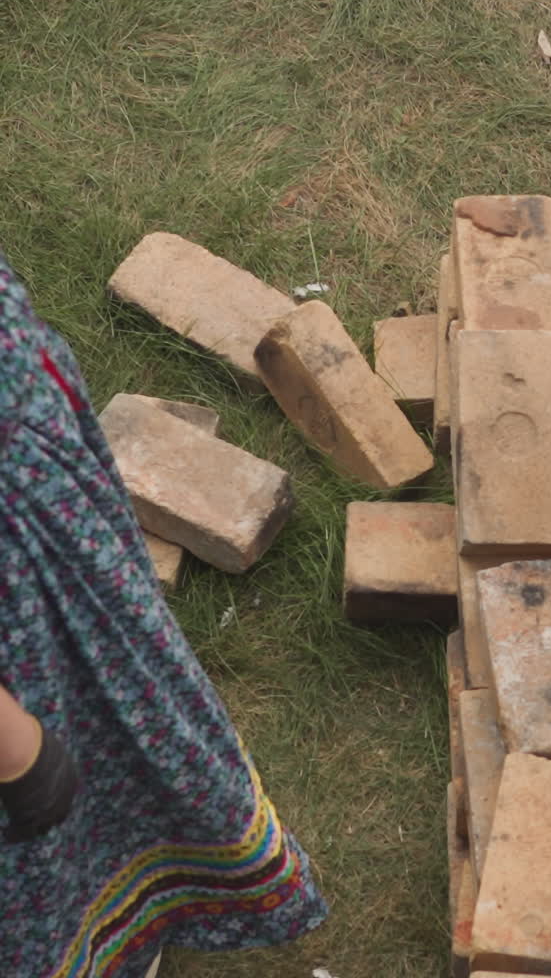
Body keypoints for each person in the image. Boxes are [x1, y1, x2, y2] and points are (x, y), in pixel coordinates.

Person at [0, 254, 327, 976]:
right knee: (48, 829)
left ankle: (121, 917)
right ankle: (76, 947)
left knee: (112, 735)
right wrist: (19, 752)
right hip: (15, 619)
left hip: (37, 500)